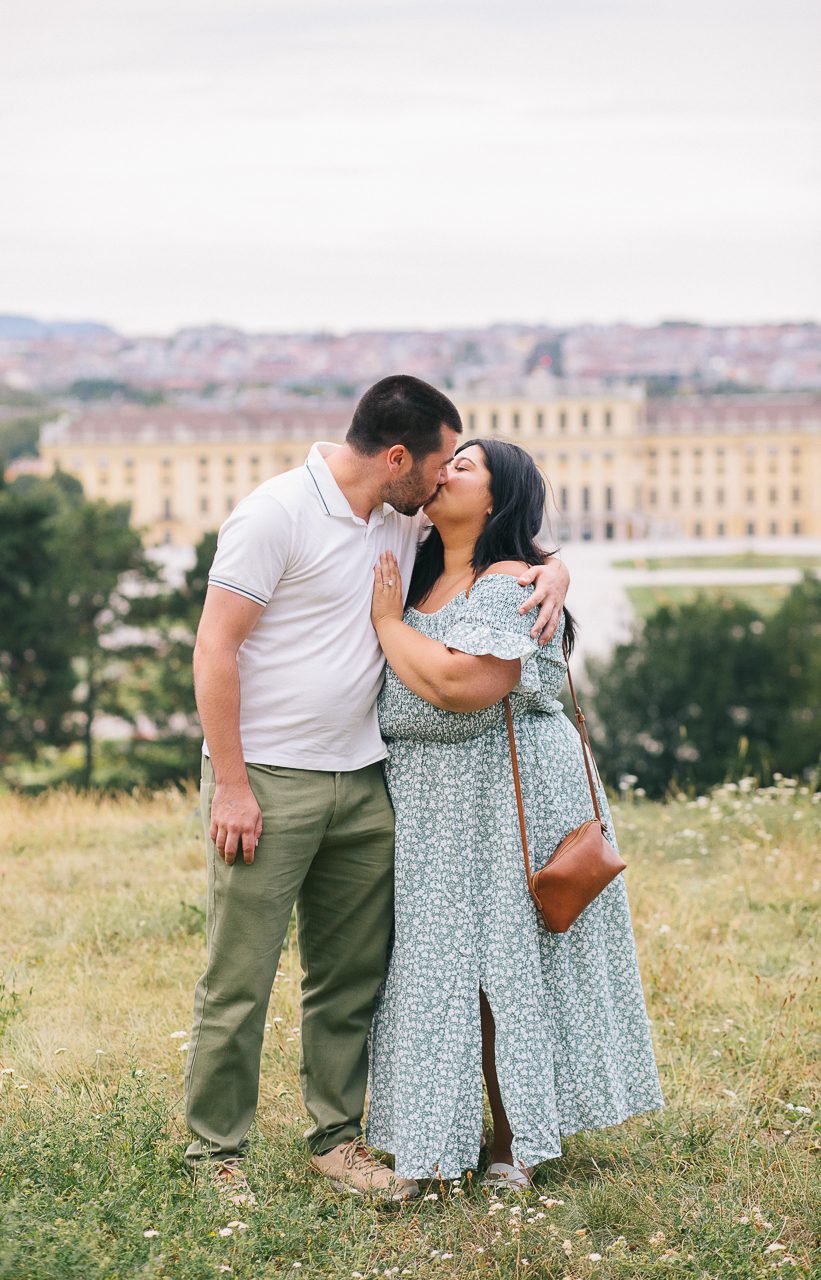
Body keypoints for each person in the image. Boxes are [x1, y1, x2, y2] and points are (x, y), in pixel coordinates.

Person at [183, 377, 571, 1203]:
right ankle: (215, 1155)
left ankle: (335, 1140)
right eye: (435, 466)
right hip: (269, 781)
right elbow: (214, 650)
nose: (438, 485)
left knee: (349, 982)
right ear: (397, 458)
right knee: (239, 979)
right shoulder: (274, 513)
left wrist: (555, 569)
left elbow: (498, 542)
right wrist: (230, 785)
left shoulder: (397, 516)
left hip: (366, 781)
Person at [365, 438, 663, 1186]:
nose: (443, 473)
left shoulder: (508, 583)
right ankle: (437, 1139)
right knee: (433, 972)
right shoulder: (425, 565)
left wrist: (385, 627)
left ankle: (513, 1145)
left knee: (505, 971)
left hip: (504, 794)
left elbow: (464, 687)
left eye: (463, 468)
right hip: (435, 799)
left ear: (497, 500)